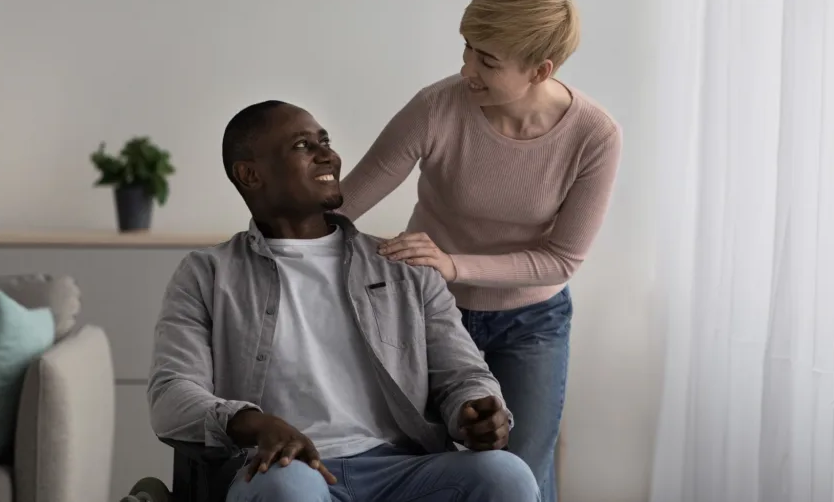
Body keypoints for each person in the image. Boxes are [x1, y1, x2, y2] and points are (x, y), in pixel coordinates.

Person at [147, 100, 540, 502]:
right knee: (289, 488)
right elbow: (172, 394)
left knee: (506, 475)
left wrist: (474, 410)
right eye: (303, 145)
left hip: (401, 468)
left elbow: (463, 373)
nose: (328, 155)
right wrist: (252, 423)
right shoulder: (208, 274)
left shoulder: (402, 266)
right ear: (250, 174)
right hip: (283, 469)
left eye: (325, 141)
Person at [338, 0, 623, 502]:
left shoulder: (594, 135)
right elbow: (345, 206)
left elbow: (561, 260)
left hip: (531, 324)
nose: (467, 69)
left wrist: (453, 263)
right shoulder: (436, 108)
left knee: (522, 477)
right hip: (427, 313)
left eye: (488, 61)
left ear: (541, 70)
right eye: (468, 50)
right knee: (420, 473)